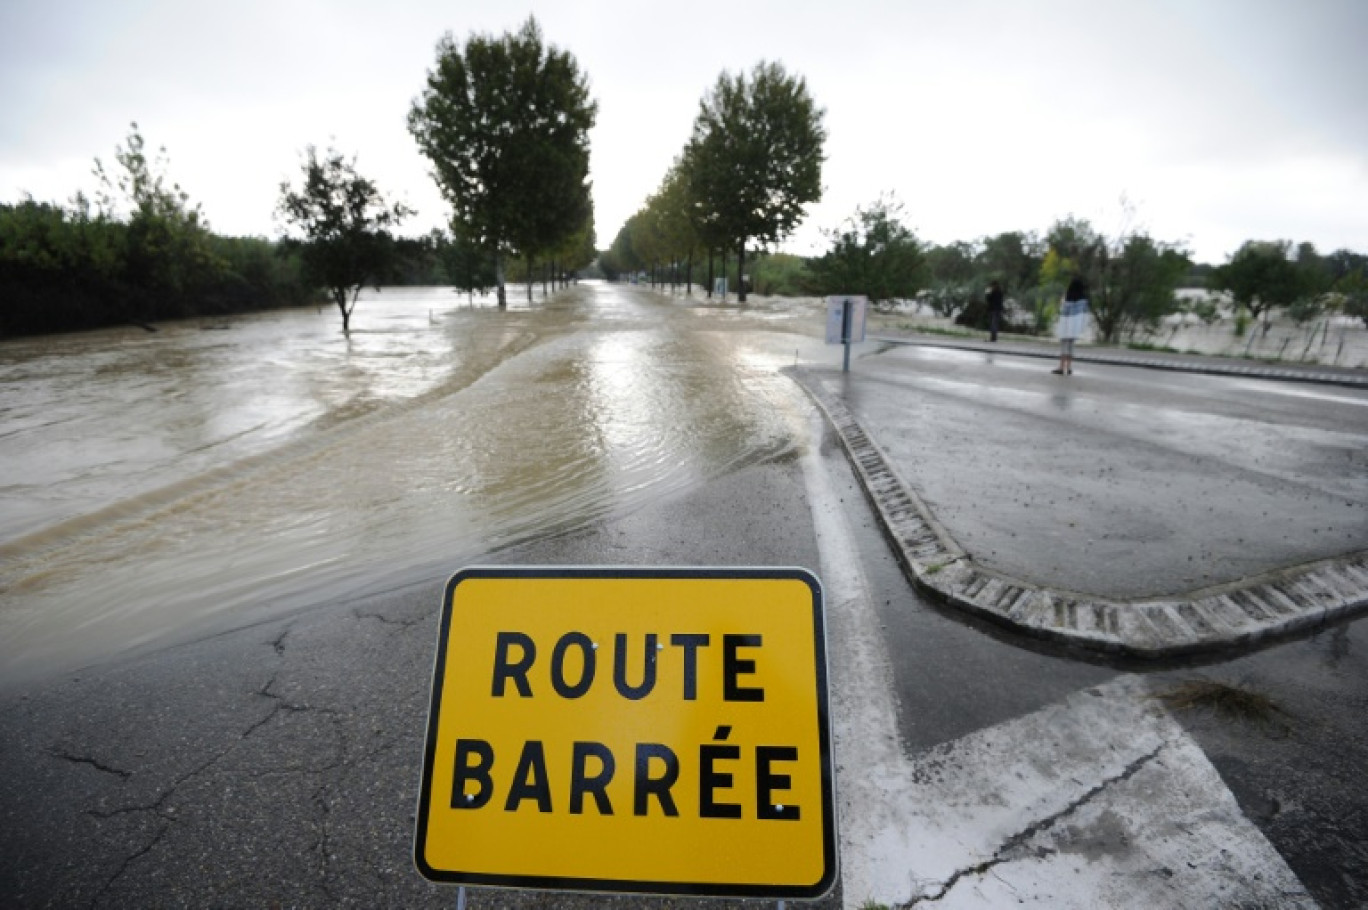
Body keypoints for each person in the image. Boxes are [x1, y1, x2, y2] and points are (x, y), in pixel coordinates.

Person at [1054, 276, 1089, 375]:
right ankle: (1069, 367)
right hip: (1075, 328)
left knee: (1064, 347)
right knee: (1071, 346)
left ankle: (1061, 367)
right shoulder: (1083, 301)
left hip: (1066, 326)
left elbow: (1062, 312)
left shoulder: (1067, 299)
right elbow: (1085, 315)